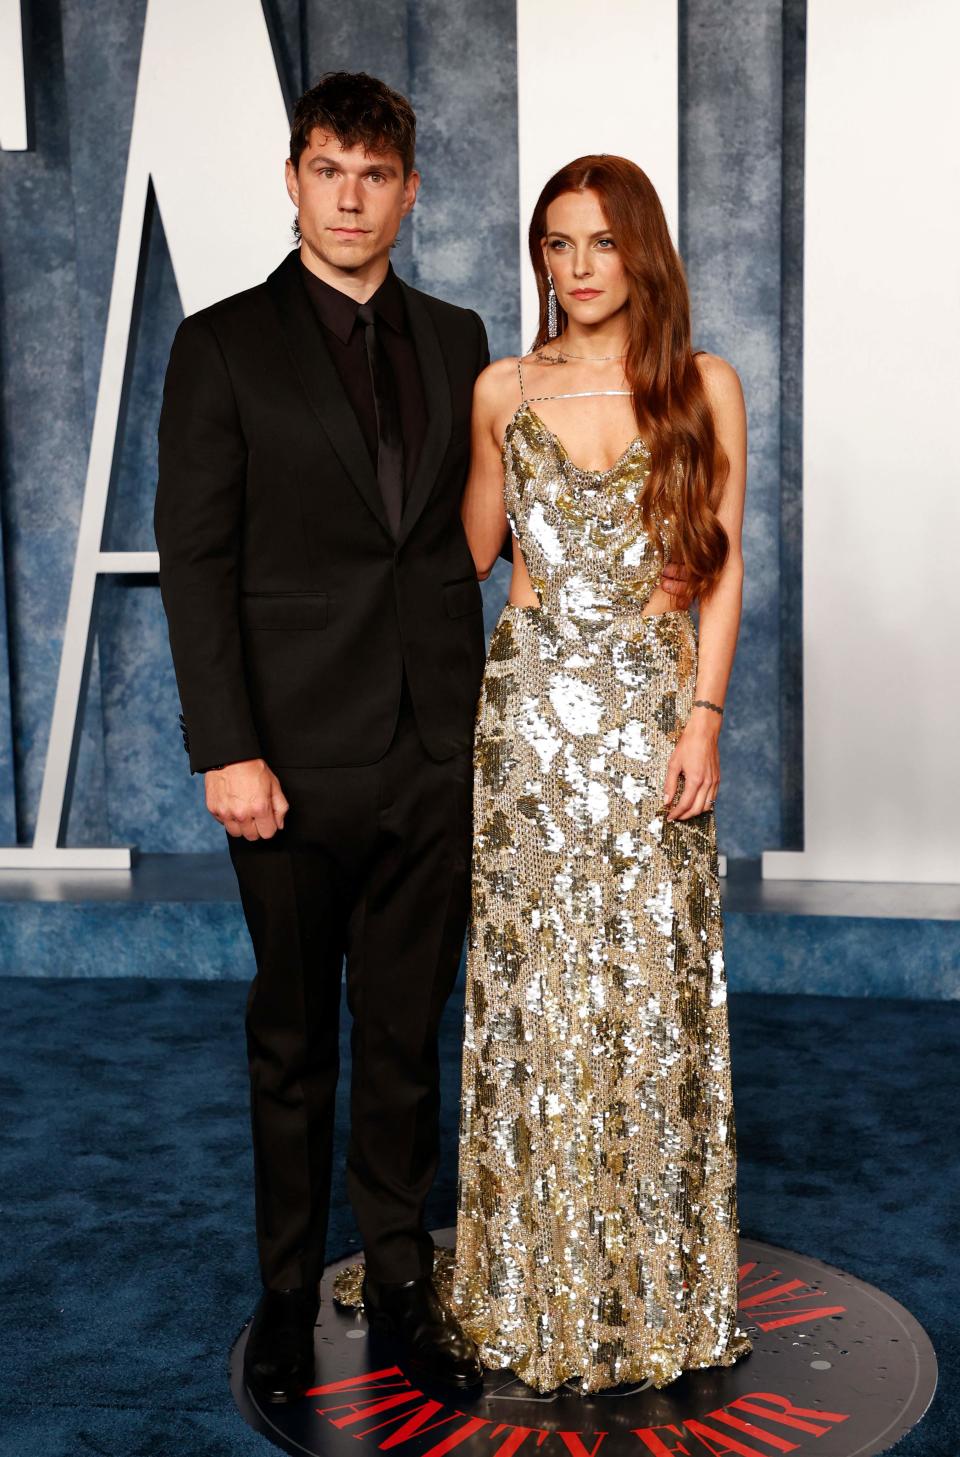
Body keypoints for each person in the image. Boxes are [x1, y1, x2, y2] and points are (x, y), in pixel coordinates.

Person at [154, 72, 492, 1401]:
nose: (352, 196)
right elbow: (200, 561)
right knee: (294, 1035)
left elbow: (483, 527)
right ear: (293, 182)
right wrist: (224, 747)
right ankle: (290, 1290)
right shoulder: (223, 345)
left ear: (408, 191)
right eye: (328, 169)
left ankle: (399, 1273)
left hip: (432, 748)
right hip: (284, 760)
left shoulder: (462, 337)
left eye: (376, 173)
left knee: (406, 1027)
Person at [448, 155, 754, 1394]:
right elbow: (471, 554)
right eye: (557, 245)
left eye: (600, 243)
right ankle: (529, 1277)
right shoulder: (501, 387)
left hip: (649, 720)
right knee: (533, 989)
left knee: (645, 979)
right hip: (528, 724)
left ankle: (648, 1279)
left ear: (642, 254)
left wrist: (705, 716)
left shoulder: (702, 385)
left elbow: (723, 570)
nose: (577, 268)